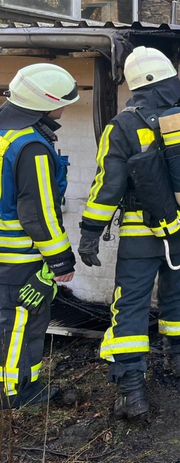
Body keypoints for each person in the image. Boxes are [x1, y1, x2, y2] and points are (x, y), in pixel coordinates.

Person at [78, 46, 180, 419]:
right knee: (178, 292)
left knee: (131, 305)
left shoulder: (120, 127)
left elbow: (107, 185)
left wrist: (90, 231)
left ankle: (132, 392)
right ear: (168, 81)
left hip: (141, 234)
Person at [0, 64, 80, 409]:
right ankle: (16, 392)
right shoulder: (31, 146)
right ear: (45, 103)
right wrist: (61, 258)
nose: (66, 106)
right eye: (64, 100)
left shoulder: (6, 134)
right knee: (23, 321)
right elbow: (39, 212)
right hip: (18, 258)